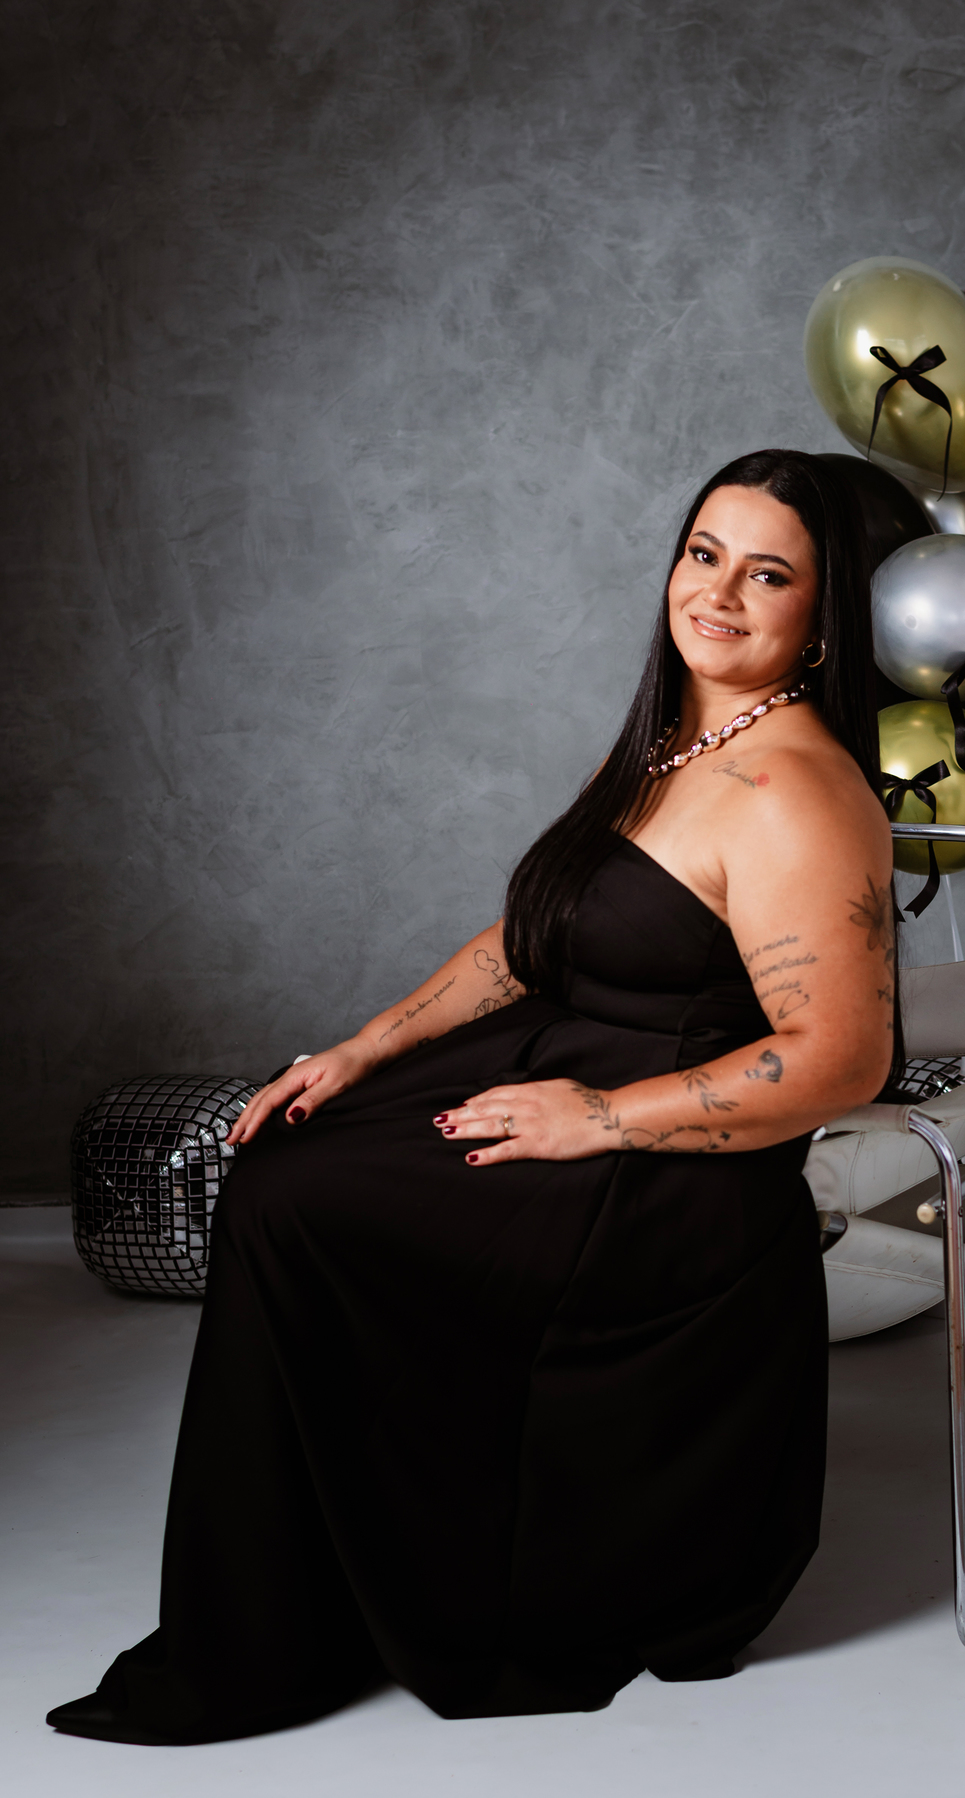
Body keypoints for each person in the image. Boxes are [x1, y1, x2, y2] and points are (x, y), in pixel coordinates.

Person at [47, 449, 896, 1743]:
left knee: (294, 1206)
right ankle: (318, 1578)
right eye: (703, 552)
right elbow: (531, 938)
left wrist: (595, 1119)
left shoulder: (796, 788)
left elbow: (839, 1058)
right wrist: (362, 1048)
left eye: (767, 573)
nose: (718, 593)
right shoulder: (671, 741)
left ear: (824, 618)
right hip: (565, 1070)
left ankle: (292, 1615)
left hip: (665, 1177)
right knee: (295, 1154)